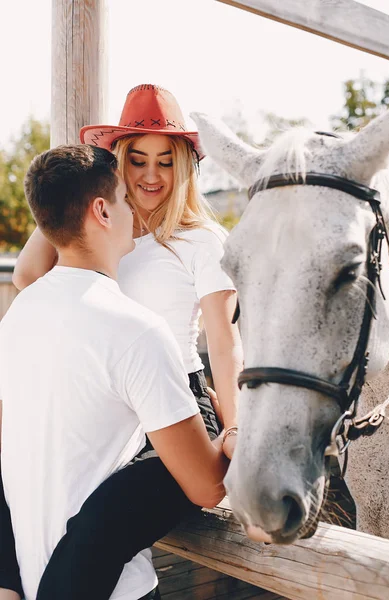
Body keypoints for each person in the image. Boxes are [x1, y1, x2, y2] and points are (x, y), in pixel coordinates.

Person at [1, 86, 241, 599]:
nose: (151, 175)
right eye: (135, 159)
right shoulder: (108, 227)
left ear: (183, 167)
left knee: (104, 518)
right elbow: (27, 274)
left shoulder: (201, 239)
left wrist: (236, 425)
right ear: (118, 162)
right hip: (108, 394)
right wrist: (80, 181)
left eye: (164, 161)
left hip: (176, 394)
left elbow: (222, 339)